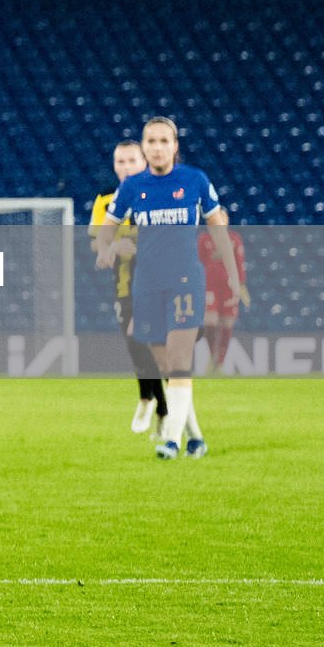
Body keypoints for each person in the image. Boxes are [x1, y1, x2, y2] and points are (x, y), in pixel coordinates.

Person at [95, 117, 247, 460]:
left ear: (175, 146)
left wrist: (233, 274)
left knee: (179, 362)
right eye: (151, 141)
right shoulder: (133, 187)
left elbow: (217, 228)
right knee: (164, 365)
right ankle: (195, 436)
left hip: (185, 281)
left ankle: (171, 440)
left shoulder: (195, 180)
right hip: (146, 284)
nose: (158, 147)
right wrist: (107, 248)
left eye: (165, 141)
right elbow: (108, 227)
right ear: (144, 146)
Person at [90, 139, 165, 434]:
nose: (126, 167)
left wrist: (130, 244)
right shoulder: (105, 200)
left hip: (157, 281)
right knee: (136, 346)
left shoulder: (160, 195)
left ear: (144, 162)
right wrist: (106, 251)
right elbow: (99, 243)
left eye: (131, 161)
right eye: (120, 161)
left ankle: (163, 408)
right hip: (124, 284)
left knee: (153, 343)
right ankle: (151, 399)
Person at [199, 225, 248, 366]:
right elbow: (198, 261)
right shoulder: (204, 238)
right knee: (210, 321)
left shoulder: (234, 238)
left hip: (229, 287)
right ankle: (212, 354)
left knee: (226, 323)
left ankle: (219, 362)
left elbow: (240, 262)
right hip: (210, 286)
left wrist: (241, 284)